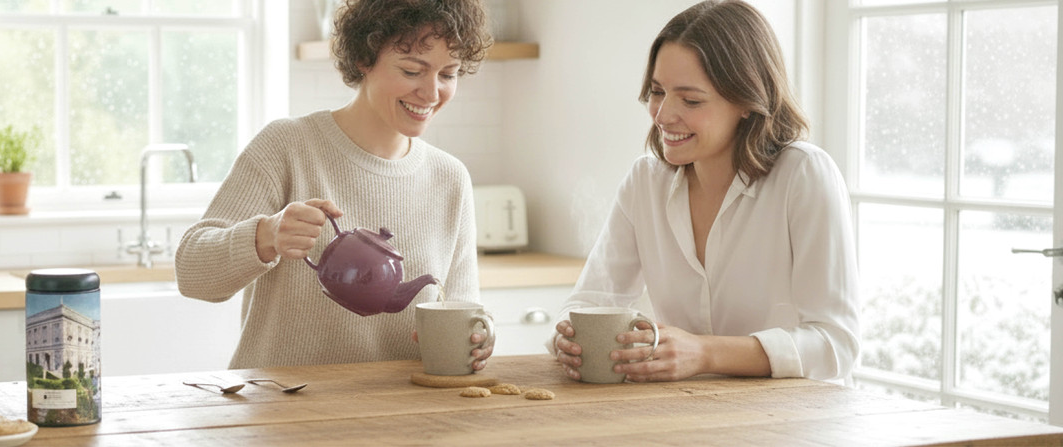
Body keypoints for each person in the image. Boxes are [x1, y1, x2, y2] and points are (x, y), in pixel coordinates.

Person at [552, 0, 859, 383]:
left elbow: (835, 345)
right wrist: (569, 337)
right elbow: (589, 303)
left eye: (691, 100)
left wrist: (705, 352)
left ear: (746, 101)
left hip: (793, 426)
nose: (663, 115)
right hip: (688, 417)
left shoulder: (803, 175)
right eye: (657, 91)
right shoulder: (646, 181)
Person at [176, 0, 493, 370]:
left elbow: (464, 307)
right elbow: (191, 273)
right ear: (364, 59)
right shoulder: (288, 145)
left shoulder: (450, 177)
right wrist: (266, 235)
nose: (432, 92)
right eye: (411, 71)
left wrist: (480, 337)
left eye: (448, 74)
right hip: (281, 409)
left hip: (402, 413)